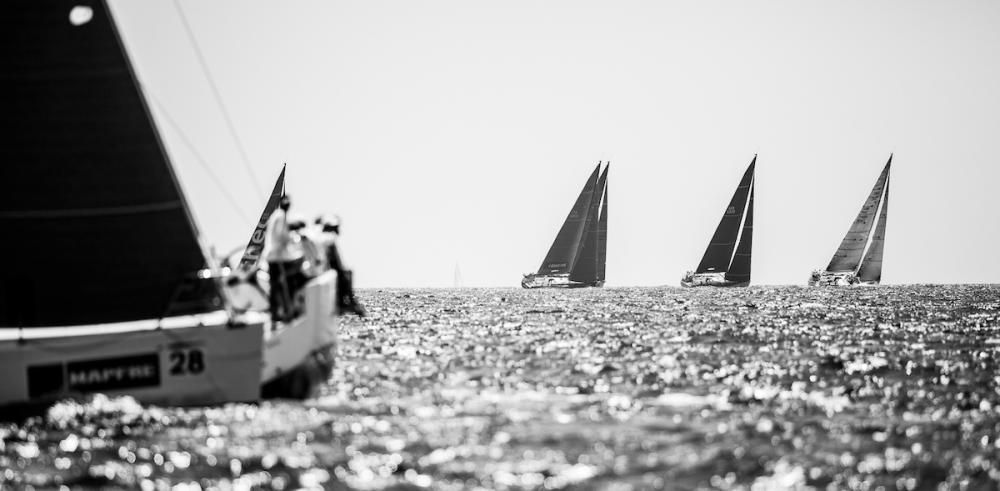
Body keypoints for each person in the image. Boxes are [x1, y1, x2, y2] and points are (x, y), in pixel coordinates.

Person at [314, 214, 366, 317]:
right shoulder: (328, 240)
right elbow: (337, 265)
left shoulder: (315, 237)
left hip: (317, 272)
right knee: (347, 273)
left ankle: (346, 302)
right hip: (325, 274)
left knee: (346, 273)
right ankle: (347, 302)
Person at [264, 195, 306, 322]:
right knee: (284, 282)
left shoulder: (277, 215)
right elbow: (282, 236)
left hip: (274, 255)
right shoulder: (281, 215)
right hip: (277, 257)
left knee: (276, 285)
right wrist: (293, 238)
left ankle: (277, 311)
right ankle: (286, 310)